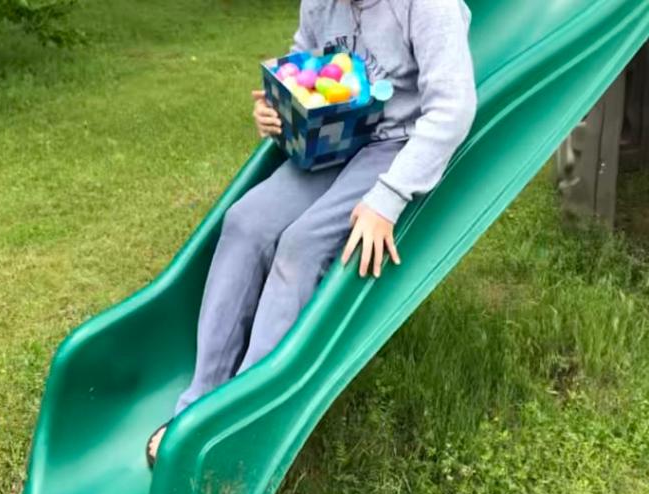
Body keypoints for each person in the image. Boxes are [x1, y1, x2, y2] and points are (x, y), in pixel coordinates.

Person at [146, 0, 477, 467]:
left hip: (397, 147)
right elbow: (303, 67)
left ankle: (242, 419)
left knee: (301, 245)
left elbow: (453, 109)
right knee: (245, 222)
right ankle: (201, 402)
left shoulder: (427, 6)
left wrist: (388, 198)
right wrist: (276, 113)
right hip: (335, 141)